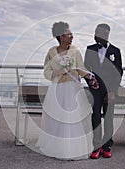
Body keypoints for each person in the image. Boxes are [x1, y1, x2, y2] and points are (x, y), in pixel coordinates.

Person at [35, 21, 97, 160]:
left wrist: (90, 77)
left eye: (71, 33)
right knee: (58, 118)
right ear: (61, 36)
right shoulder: (51, 52)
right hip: (57, 89)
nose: (72, 36)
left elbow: (81, 69)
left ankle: (73, 148)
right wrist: (60, 71)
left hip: (73, 89)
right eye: (69, 34)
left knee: (73, 118)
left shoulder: (75, 51)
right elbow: (47, 72)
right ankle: (58, 147)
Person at [84, 23, 123, 159]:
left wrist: (112, 91)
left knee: (108, 118)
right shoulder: (90, 49)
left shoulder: (115, 51)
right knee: (95, 117)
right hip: (95, 91)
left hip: (110, 91)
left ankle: (107, 146)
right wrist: (90, 82)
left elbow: (118, 72)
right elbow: (85, 69)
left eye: (101, 33)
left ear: (107, 34)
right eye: (96, 32)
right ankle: (96, 146)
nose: (98, 35)